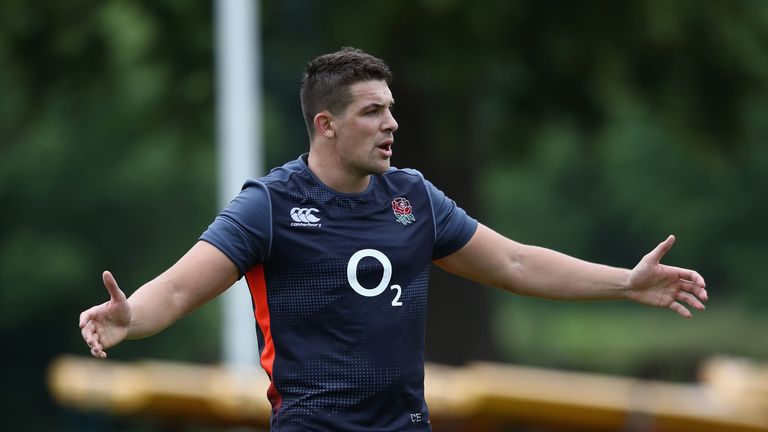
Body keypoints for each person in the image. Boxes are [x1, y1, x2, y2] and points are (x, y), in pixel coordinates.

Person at [80, 47, 708, 431]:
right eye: (372, 112)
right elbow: (180, 289)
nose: (392, 123)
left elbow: (515, 262)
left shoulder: (415, 198)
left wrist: (624, 282)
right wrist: (129, 318)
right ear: (325, 125)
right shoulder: (269, 206)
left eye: (391, 108)